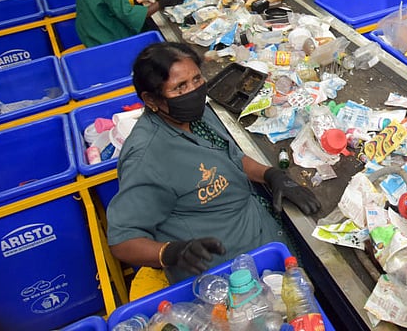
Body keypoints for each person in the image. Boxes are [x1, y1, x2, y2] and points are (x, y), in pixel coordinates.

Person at [108, 41, 320, 284]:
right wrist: (170, 252)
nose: (193, 91)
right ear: (151, 100)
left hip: (267, 237)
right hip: (230, 274)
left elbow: (230, 158)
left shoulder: (196, 114)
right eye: (179, 87)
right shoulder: (147, 158)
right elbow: (122, 240)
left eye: (197, 80)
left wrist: (271, 175)